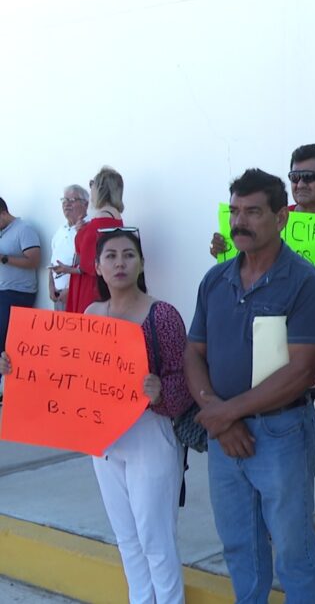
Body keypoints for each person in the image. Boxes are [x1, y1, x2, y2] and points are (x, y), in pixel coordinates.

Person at [2, 227, 194, 603]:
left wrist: (160, 393)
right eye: (111, 256)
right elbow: (63, 372)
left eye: (128, 255)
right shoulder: (90, 313)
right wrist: (17, 365)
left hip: (149, 436)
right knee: (126, 536)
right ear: (97, 266)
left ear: (140, 264)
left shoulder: (163, 316)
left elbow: (184, 384)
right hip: (103, 439)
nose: (120, 263)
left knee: (155, 537)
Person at [209, 144, 315, 545]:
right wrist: (222, 254)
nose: (300, 184)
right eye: (294, 176)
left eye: (309, 176)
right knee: (286, 434)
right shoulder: (269, 223)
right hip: (276, 351)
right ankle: (284, 511)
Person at [185, 168, 315, 603]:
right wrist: (217, 412)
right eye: (234, 211)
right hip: (223, 435)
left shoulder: (306, 282)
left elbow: (302, 372)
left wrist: (225, 414)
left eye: (253, 211)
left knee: (293, 550)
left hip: (280, 434)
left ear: (281, 217)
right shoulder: (215, 280)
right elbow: (193, 353)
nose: (239, 222)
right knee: (240, 546)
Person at [57, 167, 124, 314]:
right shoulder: (115, 217)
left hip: (90, 288)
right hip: (102, 286)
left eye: (92, 184)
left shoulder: (99, 222)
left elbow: (87, 266)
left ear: (100, 189)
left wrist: (66, 269)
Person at [0, 197, 42, 358]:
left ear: (3, 213)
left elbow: (34, 260)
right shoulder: (4, 231)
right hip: (3, 291)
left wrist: (4, 258)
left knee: (6, 343)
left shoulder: (24, 229)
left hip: (17, 294)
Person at [49, 185, 89, 310]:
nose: (66, 204)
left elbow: (88, 267)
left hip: (79, 296)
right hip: (58, 297)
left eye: (72, 200)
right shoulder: (59, 231)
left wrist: (70, 290)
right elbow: (52, 264)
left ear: (86, 204)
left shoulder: (89, 229)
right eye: (64, 200)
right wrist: (51, 287)